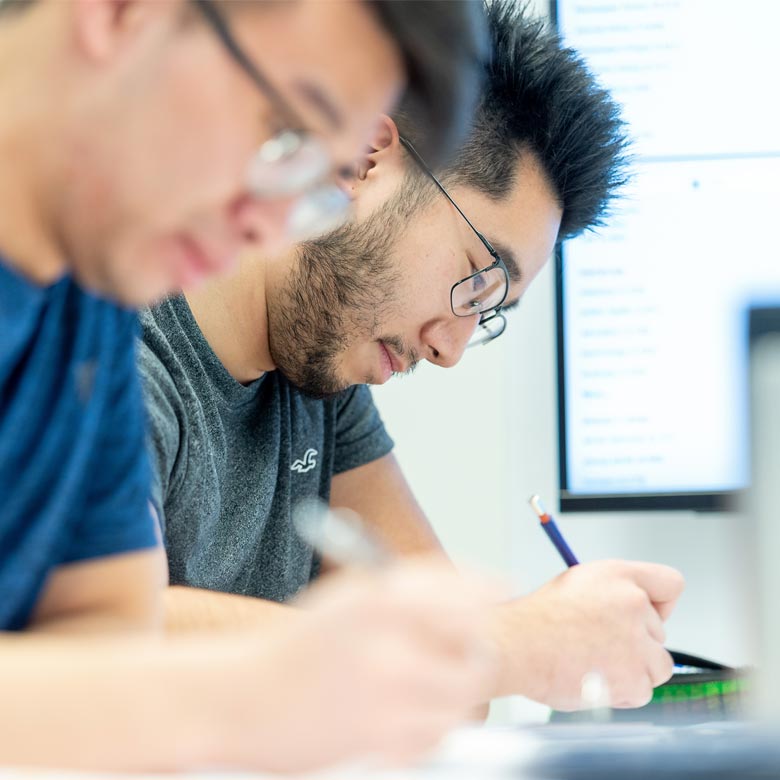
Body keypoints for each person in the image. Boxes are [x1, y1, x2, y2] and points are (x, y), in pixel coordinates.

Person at [141, 0, 686, 715]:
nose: (451, 349)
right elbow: (110, 634)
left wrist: (499, 641)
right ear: (366, 156)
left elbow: (461, 697)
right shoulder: (116, 341)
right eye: (477, 277)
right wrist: (508, 643)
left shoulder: (319, 376)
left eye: (489, 312)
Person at [0, 0, 496, 771]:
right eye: (285, 134)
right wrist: (249, 690)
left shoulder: (93, 300)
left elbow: (101, 636)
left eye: (320, 179)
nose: (274, 229)